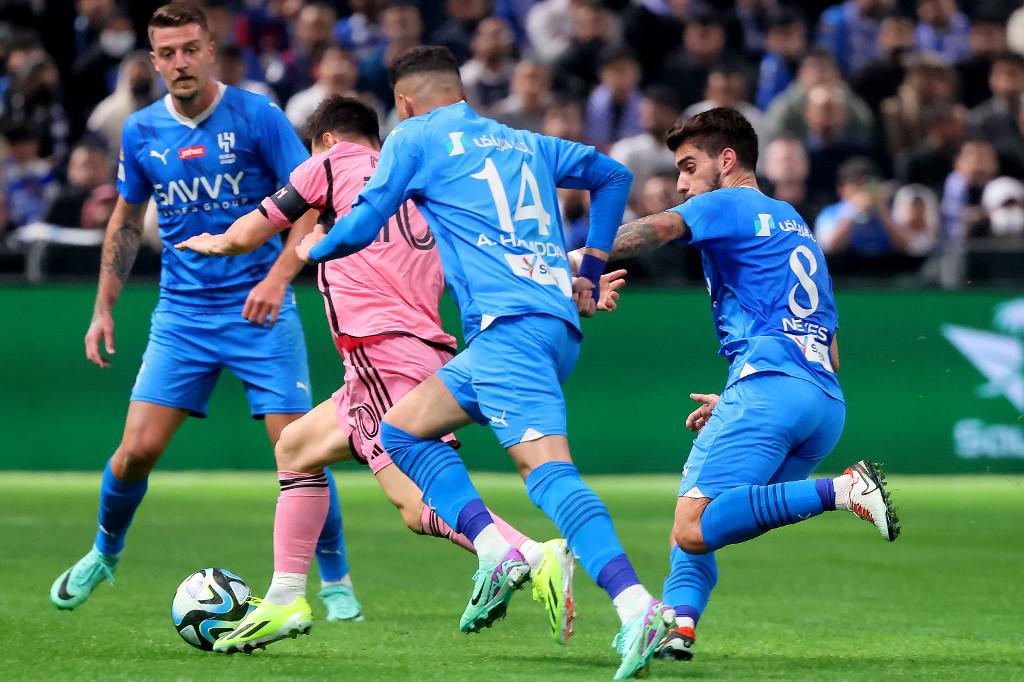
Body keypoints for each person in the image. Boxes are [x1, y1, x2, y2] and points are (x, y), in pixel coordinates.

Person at [294, 45, 672, 680]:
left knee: (548, 476)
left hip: (510, 333)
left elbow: (360, 228)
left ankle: (639, 607)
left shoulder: (415, 136)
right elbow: (613, 176)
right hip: (545, 330)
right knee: (400, 429)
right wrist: (593, 265)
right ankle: (495, 547)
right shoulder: (524, 141)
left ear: (406, 103)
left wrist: (315, 244)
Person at [176, 94, 587, 651]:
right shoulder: (423, 178)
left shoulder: (333, 162)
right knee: (296, 447)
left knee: (417, 507)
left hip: (378, 354)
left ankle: (532, 555)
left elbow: (253, 229)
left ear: (326, 140)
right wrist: (576, 277)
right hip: (416, 353)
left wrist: (219, 242)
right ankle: (284, 599)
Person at [47, 2, 354, 622]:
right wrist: (102, 309)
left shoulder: (257, 116)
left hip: (259, 310)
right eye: (167, 52)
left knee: (300, 449)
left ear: (211, 50)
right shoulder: (138, 131)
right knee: (134, 452)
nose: (179, 62)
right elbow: (127, 219)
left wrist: (276, 279)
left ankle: (336, 580)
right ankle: (104, 553)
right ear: (152, 59)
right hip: (181, 315)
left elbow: (314, 204)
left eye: (190, 48)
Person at [599, 107, 900, 662]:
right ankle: (677, 624)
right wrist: (741, 392)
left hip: (773, 389)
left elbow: (654, 230)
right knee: (701, 515)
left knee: (694, 524)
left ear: (727, 160)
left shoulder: (729, 202)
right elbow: (830, 343)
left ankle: (844, 489)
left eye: (690, 166)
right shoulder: (793, 222)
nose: (683, 183)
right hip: (822, 401)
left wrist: (573, 255)